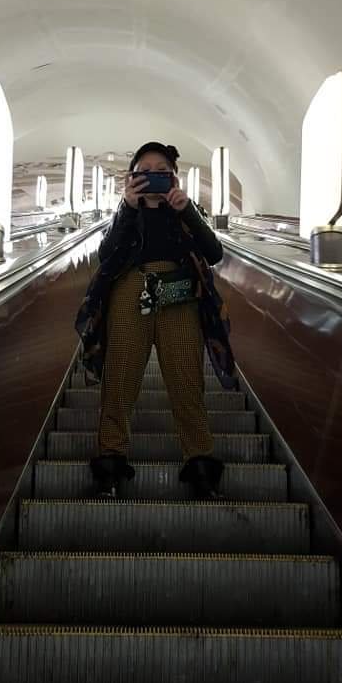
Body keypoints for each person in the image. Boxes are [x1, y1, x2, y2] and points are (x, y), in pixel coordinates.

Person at [75, 141, 239, 499]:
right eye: (144, 171)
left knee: (186, 379)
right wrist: (127, 207)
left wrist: (187, 210)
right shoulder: (125, 213)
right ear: (131, 177)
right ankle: (111, 464)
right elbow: (106, 254)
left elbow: (214, 253)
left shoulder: (186, 210)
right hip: (129, 292)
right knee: (120, 377)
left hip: (180, 295)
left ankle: (200, 465)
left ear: (174, 177)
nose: (153, 177)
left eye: (161, 172)